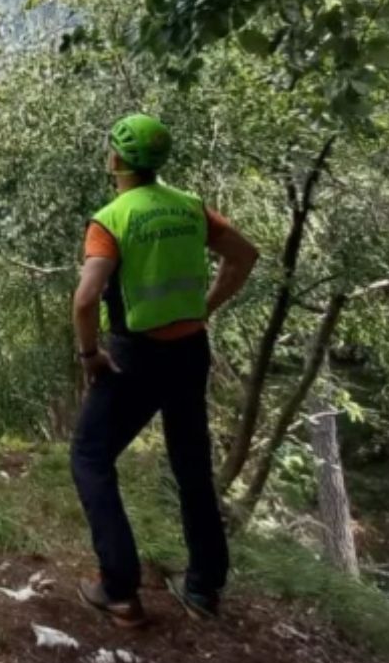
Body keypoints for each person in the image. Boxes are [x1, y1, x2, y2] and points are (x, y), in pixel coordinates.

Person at [71, 114, 259, 627]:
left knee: (90, 456)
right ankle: (202, 589)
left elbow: (86, 300)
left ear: (116, 159)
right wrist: (205, 306)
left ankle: (118, 588)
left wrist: (90, 357)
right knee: (192, 464)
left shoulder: (111, 220)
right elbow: (245, 255)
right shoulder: (191, 209)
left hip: (135, 357)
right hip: (189, 350)